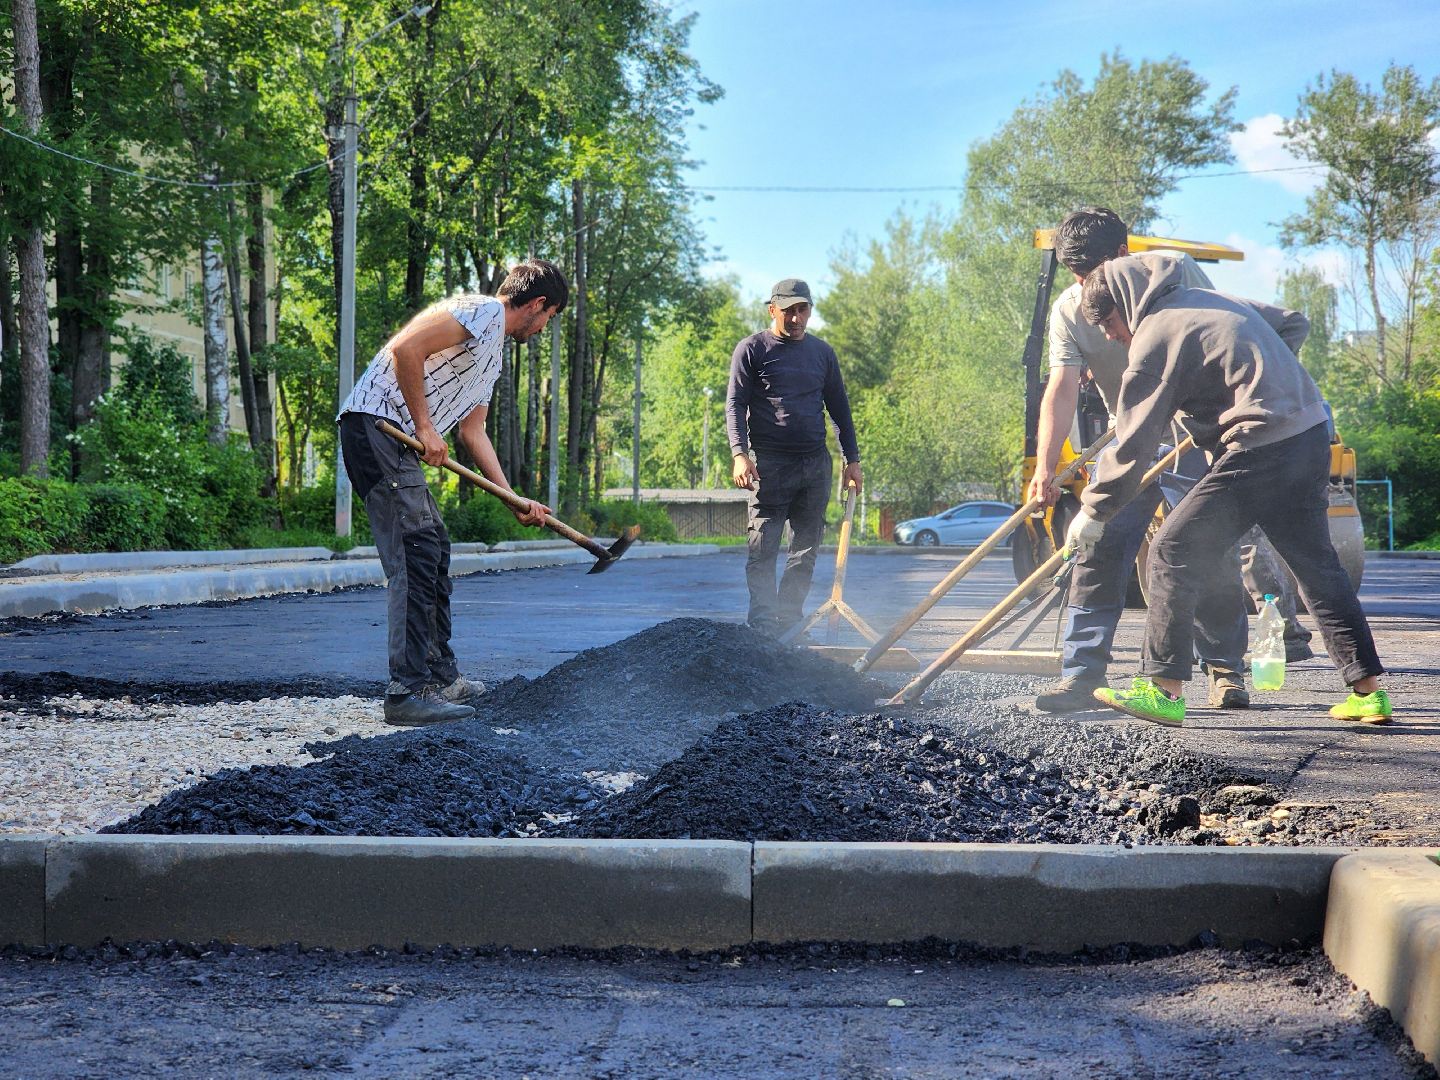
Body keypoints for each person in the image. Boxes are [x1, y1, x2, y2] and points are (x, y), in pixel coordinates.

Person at [1068, 254, 1391, 726]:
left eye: (1111, 324)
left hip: (1261, 445)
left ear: (1125, 302)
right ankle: (1368, 693)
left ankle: (1162, 690)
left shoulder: (1156, 334)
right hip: (1309, 435)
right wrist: (1253, 381)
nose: (1113, 336)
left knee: (1172, 550)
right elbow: (1293, 323)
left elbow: (1134, 441)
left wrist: (1094, 511)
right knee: (1317, 566)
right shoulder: (1211, 300)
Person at [1028, 208, 1250, 713]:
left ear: (1124, 254)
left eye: (1094, 272)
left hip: (1191, 434)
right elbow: (1061, 388)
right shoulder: (1069, 310)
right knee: (1096, 544)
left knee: (1207, 546)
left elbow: (1222, 339)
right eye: (1078, 276)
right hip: (1126, 435)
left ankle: (1224, 669)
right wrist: (1045, 468)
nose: (1087, 287)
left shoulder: (1177, 273)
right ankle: (1082, 674)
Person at [338, 259, 567, 726]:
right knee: (416, 549)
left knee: (434, 547)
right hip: (376, 426)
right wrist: (425, 427)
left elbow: (472, 431)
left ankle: (441, 679)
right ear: (538, 304)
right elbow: (405, 348)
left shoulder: (493, 354)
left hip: (397, 439)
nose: (544, 327)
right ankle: (406, 692)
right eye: (550, 316)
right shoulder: (481, 311)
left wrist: (512, 498)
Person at [726, 277, 862, 637]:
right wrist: (740, 454)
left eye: (803, 310)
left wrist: (852, 459)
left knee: (805, 550)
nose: (797, 318)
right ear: (773, 309)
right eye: (789, 311)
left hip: (815, 466)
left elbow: (839, 409)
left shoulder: (822, 353)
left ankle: (788, 624)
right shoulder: (752, 349)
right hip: (769, 466)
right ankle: (762, 627)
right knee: (762, 548)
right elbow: (735, 404)